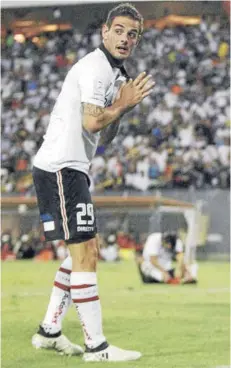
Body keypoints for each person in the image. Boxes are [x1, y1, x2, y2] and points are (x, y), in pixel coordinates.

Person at [31, 2, 155, 362]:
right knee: (86, 254)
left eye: (132, 34)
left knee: (81, 253)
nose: (125, 39)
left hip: (67, 168)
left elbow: (106, 135)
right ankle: (96, 347)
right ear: (105, 32)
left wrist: (122, 106)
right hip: (61, 167)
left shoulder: (115, 74)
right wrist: (119, 106)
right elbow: (91, 123)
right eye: (119, 30)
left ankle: (49, 331)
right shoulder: (96, 68)